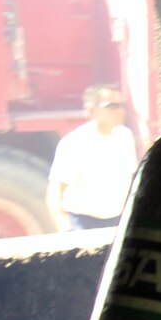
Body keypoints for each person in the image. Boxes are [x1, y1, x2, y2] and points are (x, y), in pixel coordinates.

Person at [46, 83, 137, 229]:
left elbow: (132, 179)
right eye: (112, 106)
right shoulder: (75, 142)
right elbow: (56, 191)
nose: (119, 111)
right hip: (85, 222)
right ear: (91, 110)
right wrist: (65, 229)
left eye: (121, 105)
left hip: (118, 219)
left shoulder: (125, 136)